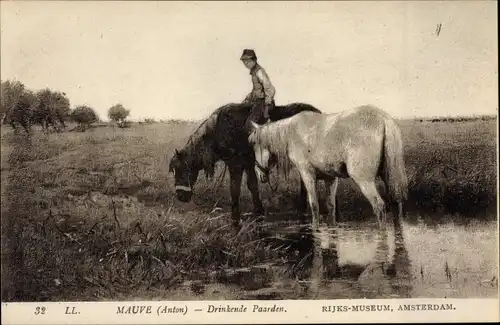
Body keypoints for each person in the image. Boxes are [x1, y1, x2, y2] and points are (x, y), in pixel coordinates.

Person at [240, 49, 276, 129]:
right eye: (244, 61)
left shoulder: (259, 71)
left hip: (263, 102)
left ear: (254, 60)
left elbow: (269, 88)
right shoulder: (253, 72)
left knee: (250, 124)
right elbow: (257, 89)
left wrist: (268, 101)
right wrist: (249, 97)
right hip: (257, 101)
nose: (246, 63)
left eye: (248, 61)